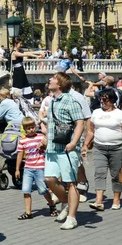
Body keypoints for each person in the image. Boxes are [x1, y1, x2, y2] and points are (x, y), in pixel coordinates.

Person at [41, 72, 84, 230]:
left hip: (66, 148)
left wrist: (74, 142)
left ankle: (72, 217)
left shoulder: (70, 101)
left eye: (53, 78)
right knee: (49, 179)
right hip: (52, 148)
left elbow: (80, 123)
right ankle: (66, 202)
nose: (50, 79)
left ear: (59, 84)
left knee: (71, 183)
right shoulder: (52, 100)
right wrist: (45, 139)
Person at [82, 89, 122, 210]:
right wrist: (86, 144)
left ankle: (116, 199)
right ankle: (99, 201)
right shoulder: (96, 112)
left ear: (112, 100)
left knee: (116, 175)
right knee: (99, 173)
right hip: (99, 147)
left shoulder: (121, 114)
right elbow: (91, 131)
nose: (102, 101)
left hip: (117, 148)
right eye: (101, 99)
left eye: (105, 99)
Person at [15, 117, 57, 219]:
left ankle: (52, 205)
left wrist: (44, 145)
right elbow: (20, 155)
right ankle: (28, 213)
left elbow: (48, 148)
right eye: (29, 128)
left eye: (33, 127)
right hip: (28, 169)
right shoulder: (22, 141)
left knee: (42, 189)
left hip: (40, 167)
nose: (31, 130)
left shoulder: (40, 137)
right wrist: (17, 169)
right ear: (25, 129)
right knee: (26, 190)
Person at [11, 38, 41, 102]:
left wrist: (39, 52)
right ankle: (17, 99)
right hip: (18, 71)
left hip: (21, 70)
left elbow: (29, 52)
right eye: (20, 44)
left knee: (24, 84)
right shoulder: (14, 53)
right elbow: (25, 54)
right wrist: (37, 56)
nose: (21, 45)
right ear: (15, 44)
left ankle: (26, 99)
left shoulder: (18, 51)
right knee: (18, 85)